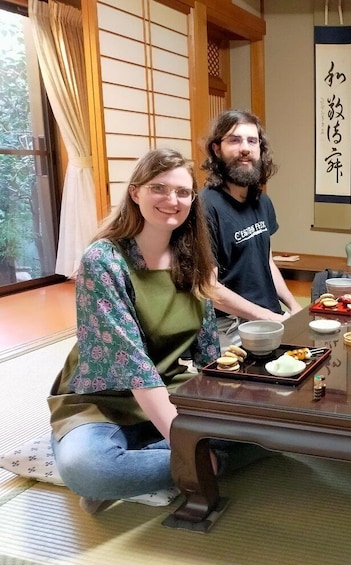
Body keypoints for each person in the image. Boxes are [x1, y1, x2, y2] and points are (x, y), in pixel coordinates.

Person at [48, 148, 267, 513]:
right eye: (159, 189)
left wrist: (238, 402)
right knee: (89, 469)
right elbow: (134, 369)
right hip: (104, 401)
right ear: (135, 192)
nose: (172, 200)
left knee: (270, 435)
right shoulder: (104, 261)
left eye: (183, 192)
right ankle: (192, 464)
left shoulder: (192, 258)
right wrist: (187, 451)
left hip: (174, 391)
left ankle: (158, 464)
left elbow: (209, 350)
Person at [200, 110, 303, 346]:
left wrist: (294, 305)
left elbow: (265, 261)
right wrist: (272, 318)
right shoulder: (206, 207)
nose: (245, 148)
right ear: (217, 149)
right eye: (234, 140)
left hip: (270, 316)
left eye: (252, 141)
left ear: (260, 150)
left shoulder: (261, 201)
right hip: (231, 328)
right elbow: (209, 287)